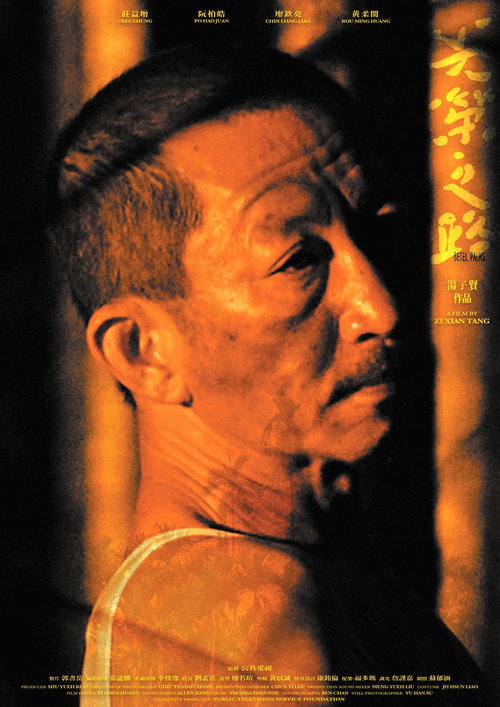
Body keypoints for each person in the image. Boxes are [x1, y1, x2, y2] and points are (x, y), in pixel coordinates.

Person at [48, 43, 486, 705]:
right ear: (144, 352)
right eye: (298, 260)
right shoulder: (240, 618)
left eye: (379, 230)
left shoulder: (301, 582)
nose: (381, 308)